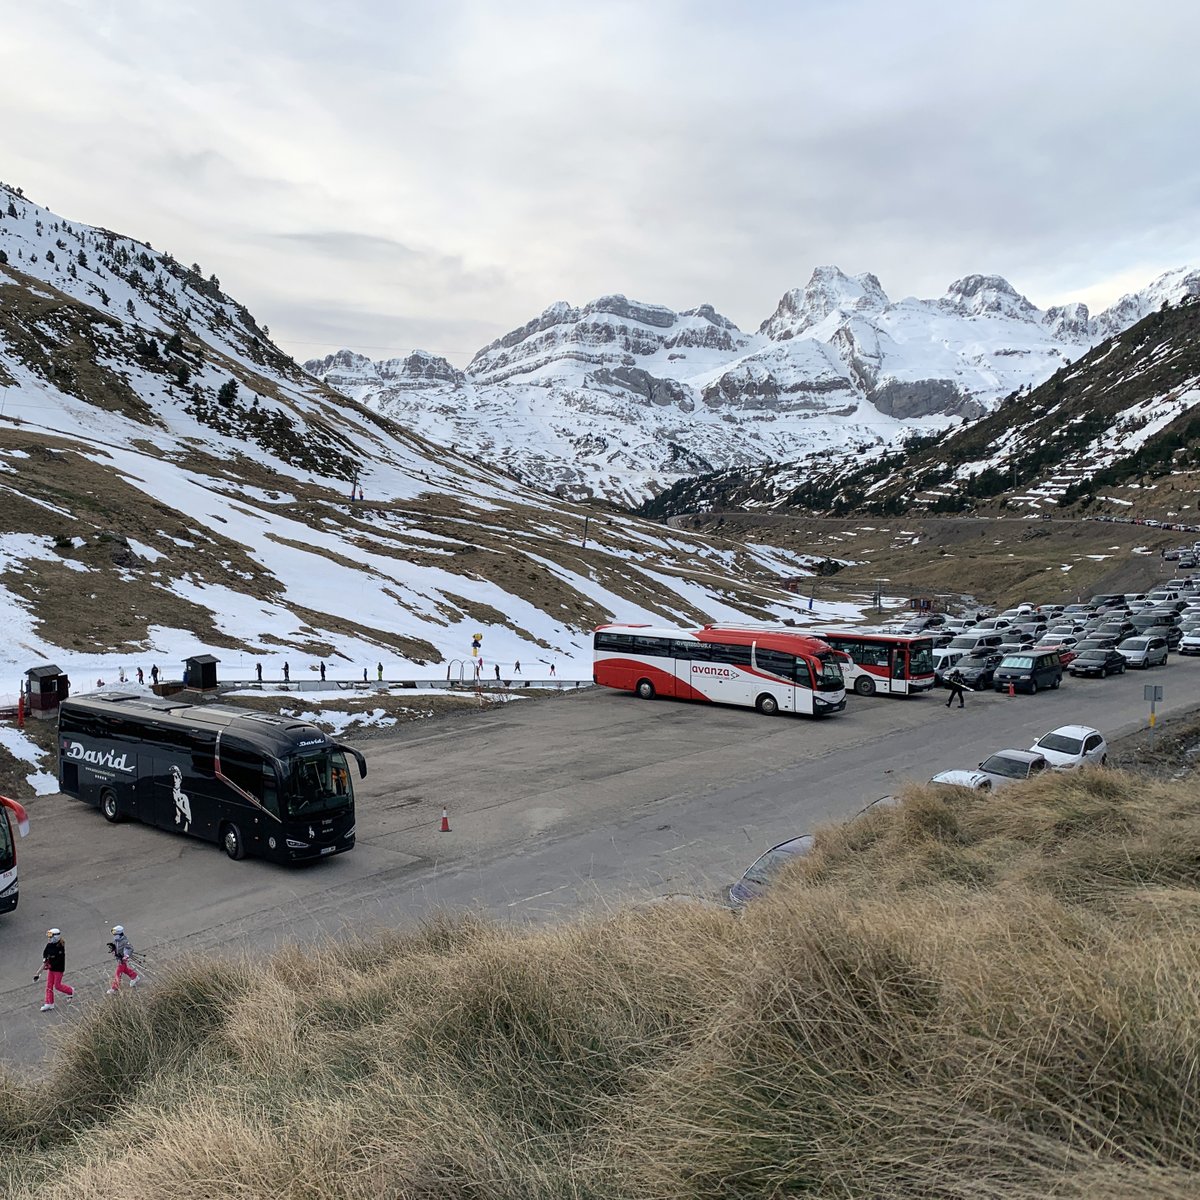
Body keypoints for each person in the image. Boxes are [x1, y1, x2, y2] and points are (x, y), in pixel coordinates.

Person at [35, 928, 74, 1011]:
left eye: (50, 936)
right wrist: (45, 959)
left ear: (56, 937)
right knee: (49, 986)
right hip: (51, 969)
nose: (49, 938)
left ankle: (70, 991)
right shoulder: (49, 945)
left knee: (57, 986)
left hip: (58, 970)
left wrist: (49, 965)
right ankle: (49, 1003)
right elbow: (45, 953)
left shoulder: (60, 947)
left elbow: (58, 960)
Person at [106, 924, 139, 994]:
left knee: (118, 973)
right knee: (125, 969)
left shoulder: (124, 941)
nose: (114, 936)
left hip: (122, 959)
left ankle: (114, 987)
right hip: (119, 958)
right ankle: (134, 976)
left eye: (115, 934)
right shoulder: (116, 940)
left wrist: (126, 956)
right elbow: (116, 947)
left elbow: (130, 948)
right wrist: (113, 949)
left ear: (119, 934)